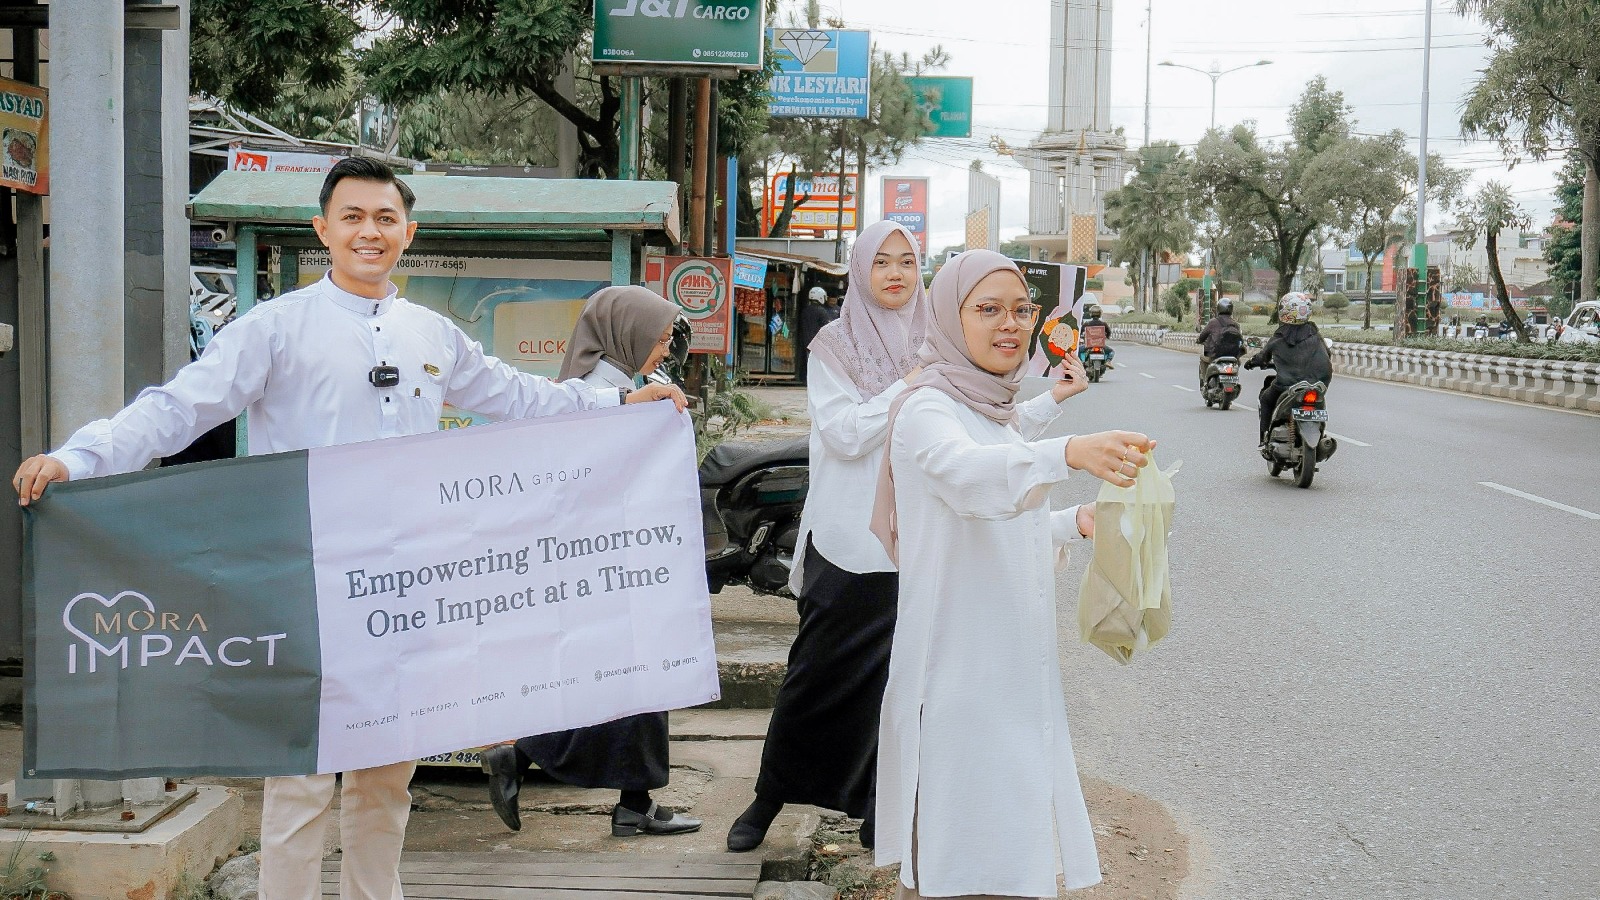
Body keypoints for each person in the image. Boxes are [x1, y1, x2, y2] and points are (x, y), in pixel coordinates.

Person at [11, 158, 687, 900]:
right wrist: (80, 457)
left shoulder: (432, 334)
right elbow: (178, 408)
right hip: (301, 585)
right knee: (299, 779)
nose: (370, 232)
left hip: (404, 587)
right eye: (354, 217)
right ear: (323, 230)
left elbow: (518, 398)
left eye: (385, 219)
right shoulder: (273, 329)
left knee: (385, 780)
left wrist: (619, 409)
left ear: (408, 232)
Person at [724, 222, 1091, 854]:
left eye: (907, 261)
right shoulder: (833, 348)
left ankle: (879, 811)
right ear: (859, 271)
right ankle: (769, 797)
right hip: (848, 540)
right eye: (881, 263)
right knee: (815, 676)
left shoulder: (939, 339)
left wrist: (1050, 402)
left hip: (920, 544)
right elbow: (843, 434)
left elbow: (981, 434)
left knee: (903, 688)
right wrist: (916, 382)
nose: (895, 274)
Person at [869, 250, 1154, 898]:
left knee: (1011, 849)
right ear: (949, 316)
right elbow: (973, 482)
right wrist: (1070, 452)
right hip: (960, 675)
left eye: (1021, 309)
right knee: (968, 855)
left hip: (1010, 674)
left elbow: (1004, 523)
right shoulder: (926, 410)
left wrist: (1073, 521)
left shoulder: (990, 411)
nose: (1010, 324)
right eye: (987, 309)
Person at [480, 286, 700, 840]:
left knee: (643, 679)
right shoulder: (590, 394)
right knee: (629, 678)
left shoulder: (636, 386)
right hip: (599, 564)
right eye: (660, 334)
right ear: (626, 334)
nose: (666, 345)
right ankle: (530, 754)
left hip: (630, 557)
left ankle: (632, 801)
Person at [1243, 292, 1332, 446]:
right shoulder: (1316, 334)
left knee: (1265, 399)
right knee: (1319, 404)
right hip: (1317, 385)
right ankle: (1321, 435)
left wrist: (1251, 362)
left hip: (1287, 385)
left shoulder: (1280, 336)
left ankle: (1264, 439)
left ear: (1284, 311)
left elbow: (1263, 357)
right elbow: (1327, 354)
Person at [1197, 297, 1246, 387]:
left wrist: (1199, 340)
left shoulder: (1213, 322)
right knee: (1238, 362)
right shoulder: (1235, 324)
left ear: (1218, 309)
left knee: (1202, 358)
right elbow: (1241, 341)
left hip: (1216, 355)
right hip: (1233, 356)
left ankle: (1205, 381)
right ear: (1231, 309)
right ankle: (1233, 380)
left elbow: (1202, 336)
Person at [795, 286, 833, 384]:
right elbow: (828, 327)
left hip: (806, 342)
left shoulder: (805, 310)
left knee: (808, 363)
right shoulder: (821, 311)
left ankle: (807, 380)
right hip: (818, 343)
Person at [1077, 303, 1114, 368]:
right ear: (1100, 314)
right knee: (1111, 351)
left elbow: (1080, 332)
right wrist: (1107, 336)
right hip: (1100, 345)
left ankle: (1080, 363)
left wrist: (1080, 337)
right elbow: (1108, 332)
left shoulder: (1087, 324)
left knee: (1079, 350)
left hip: (1088, 346)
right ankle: (1108, 361)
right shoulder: (1103, 324)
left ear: (1091, 314)